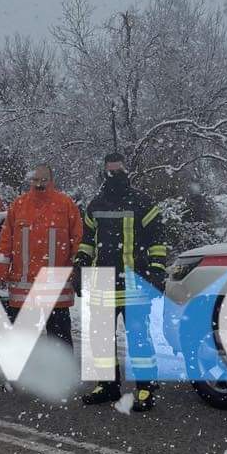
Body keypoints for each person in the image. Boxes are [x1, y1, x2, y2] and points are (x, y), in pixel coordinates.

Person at [75, 152, 169, 412]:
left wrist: (157, 271)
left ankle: (145, 388)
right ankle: (106, 385)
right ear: (104, 172)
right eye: (110, 171)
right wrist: (80, 264)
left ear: (127, 171)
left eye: (118, 170)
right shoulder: (96, 205)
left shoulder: (143, 203)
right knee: (101, 337)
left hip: (134, 281)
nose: (114, 175)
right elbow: (88, 240)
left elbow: (157, 241)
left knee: (139, 338)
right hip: (102, 282)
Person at [0, 164, 82, 347]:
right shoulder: (19, 205)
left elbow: (77, 241)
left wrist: (78, 270)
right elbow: (6, 241)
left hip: (56, 288)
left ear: (52, 180)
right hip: (23, 288)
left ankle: (61, 375)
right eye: (35, 179)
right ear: (30, 180)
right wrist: (0, 271)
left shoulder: (65, 205)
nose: (39, 183)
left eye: (43, 179)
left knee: (60, 341)